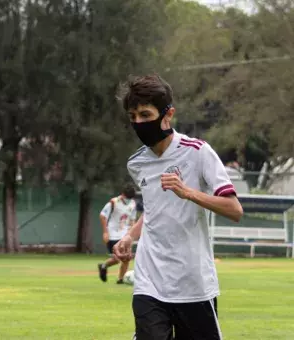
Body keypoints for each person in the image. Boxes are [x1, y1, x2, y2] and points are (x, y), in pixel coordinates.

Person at [114, 75, 243, 340]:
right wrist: (129, 236)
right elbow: (154, 209)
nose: (138, 123)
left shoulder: (198, 152)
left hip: (193, 283)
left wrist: (188, 193)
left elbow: (234, 209)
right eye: (133, 116)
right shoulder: (136, 163)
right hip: (149, 280)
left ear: (167, 115)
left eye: (145, 114)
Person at [98, 184, 137, 284]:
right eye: (127, 197)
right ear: (122, 194)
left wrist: (131, 234)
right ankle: (104, 266)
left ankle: (121, 279)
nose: (128, 200)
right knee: (117, 258)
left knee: (127, 258)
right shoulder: (113, 202)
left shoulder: (132, 203)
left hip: (124, 235)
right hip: (112, 234)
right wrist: (105, 232)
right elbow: (103, 216)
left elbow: (132, 220)